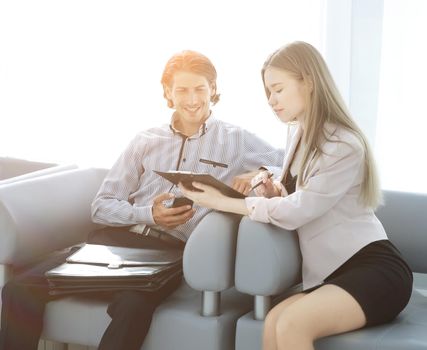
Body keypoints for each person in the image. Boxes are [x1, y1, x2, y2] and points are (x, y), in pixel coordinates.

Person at [0, 50, 284, 350]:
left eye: (200, 89)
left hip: (169, 254)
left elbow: (287, 162)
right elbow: (101, 206)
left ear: (213, 90)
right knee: (20, 288)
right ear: (168, 93)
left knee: (133, 307)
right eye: (182, 90)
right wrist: (149, 213)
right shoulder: (145, 140)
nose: (192, 99)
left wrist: (260, 171)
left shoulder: (236, 139)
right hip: (112, 244)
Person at [179, 41, 413, 350]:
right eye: (268, 92)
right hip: (333, 272)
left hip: (373, 269)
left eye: (278, 89)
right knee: (273, 322)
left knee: (290, 324)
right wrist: (275, 189)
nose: (271, 100)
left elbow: (300, 210)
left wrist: (221, 202)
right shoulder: (300, 135)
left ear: (309, 82)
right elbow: (299, 195)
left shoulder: (343, 144)